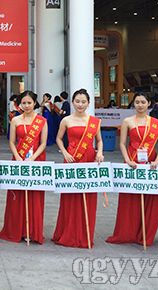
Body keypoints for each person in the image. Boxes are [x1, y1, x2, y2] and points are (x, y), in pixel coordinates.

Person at [106, 92, 158, 246]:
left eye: (143, 102)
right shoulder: (128, 121)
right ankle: (127, 232)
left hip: (151, 164)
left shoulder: (156, 123)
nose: (140, 105)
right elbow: (122, 143)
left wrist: (157, 160)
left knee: (150, 199)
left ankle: (145, 234)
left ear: (149, 103)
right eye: (137, 102)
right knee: (130, 199)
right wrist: (127, 159)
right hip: (132, 162)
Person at [52, 88, 104, 248]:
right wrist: (65, 152)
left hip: (89, 159)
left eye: (83, 102)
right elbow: (58, 138)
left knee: (88, 196)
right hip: (71, 159)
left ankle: (85, 234)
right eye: (77, 101)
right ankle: (68, 233)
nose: (80, 104)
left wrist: (99, 152)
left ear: (88, 103)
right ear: (73, 102)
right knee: (70, 197)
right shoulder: (66, 120)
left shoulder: (94, 121)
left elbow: (99, 140)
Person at [0, 91, 48, 244]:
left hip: (36, 160)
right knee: (18, 195)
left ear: (35, 103)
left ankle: (32, 231)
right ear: (20, 104)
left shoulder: (42, 121)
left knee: (34, 195)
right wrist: (18, 157)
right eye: (24, 103)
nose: (26, 106)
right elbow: (12, 142)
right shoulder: (15, 120)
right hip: (18, 159)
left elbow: (43, 143)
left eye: (29, 103)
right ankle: (16, 230)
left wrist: (32, 158)